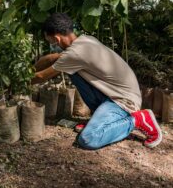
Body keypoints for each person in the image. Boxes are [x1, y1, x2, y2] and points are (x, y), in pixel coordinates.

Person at [32, 13, 162, 149]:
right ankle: (100, 119)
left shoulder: (74, 55)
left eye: (51, 42)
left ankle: (138, 120)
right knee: (73, 72)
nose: (52, 45)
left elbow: (41, 77)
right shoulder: (85, 40)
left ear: (57, 38)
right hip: (113, 94)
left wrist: (20, 82)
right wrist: (31, 69)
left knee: (88, 138)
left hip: (123, 101)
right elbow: (53, 58)